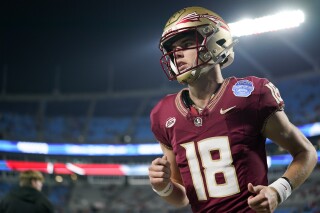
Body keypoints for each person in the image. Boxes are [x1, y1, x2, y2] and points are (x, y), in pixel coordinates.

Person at [148, 6, 318, 213]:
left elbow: (305, 152)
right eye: (173, 49)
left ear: (215, 42)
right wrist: (163, 187)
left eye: (185, 44)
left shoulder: (250, 95)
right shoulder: (163, 113)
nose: (177, 55)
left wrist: (277, 191)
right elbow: (182, 196)